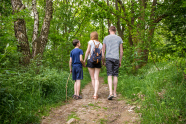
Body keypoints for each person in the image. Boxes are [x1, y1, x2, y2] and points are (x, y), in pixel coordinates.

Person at [102, 26, 123, 100]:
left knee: (109, 75)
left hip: (109, 58)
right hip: (116, 58)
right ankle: (114, 93)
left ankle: (110, 93)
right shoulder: (119, 38)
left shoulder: (106, 38)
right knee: (115, 75)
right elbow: (121, 51)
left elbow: (103, 51)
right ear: (115, 31)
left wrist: (103, 61)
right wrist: (120, 60)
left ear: (109, 30)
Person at [84, 32, 103, 100]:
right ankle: (95, 93)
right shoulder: (100, 44)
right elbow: (102, 54)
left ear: (91, 36)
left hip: (90, 60)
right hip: (98, 61)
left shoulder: (90, 42)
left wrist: (84, 60)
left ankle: (95, 93)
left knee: (92, 78)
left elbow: (87, 51)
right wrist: (103, 61)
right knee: (96, 78)